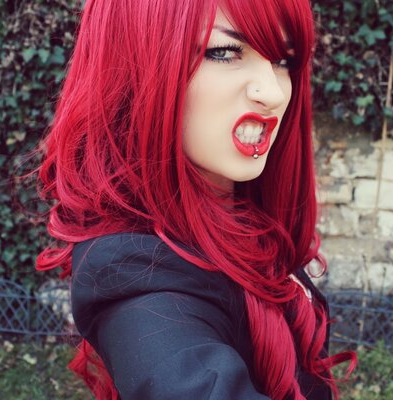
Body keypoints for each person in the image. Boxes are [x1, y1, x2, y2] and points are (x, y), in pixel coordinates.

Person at [36, 0, 356, 399]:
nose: (272, 92)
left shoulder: (241, 211)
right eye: (224, 52)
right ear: (138, 65)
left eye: (282, 60)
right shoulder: (136, 279)